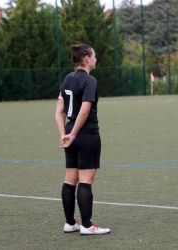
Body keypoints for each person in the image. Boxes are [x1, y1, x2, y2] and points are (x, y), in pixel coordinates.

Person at [55, 43, 110, 235]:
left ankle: (70, 223)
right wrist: (75, 133)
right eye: (93, 56)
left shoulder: (67, 79)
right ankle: (87, 226)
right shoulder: (90, 80)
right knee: (85, 180)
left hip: (71, 132)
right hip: (86, 135)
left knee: (70, 179)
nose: (96, 59)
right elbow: (85, 110)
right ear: (86, 58)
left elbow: (59, 111)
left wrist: (65, 134)